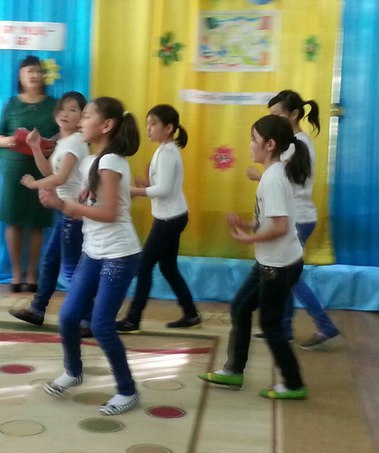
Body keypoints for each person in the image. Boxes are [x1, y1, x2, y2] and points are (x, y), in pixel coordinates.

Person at [38, 97, 142, 415]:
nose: (80, 121)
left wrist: (65, 205)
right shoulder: (93, 161)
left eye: (86, 116)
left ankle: (127, 390)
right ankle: (73, 371)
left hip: (119, 255)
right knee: (69, 317)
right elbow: (91, 207)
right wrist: (69, 201)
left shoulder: (111, 162)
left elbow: (109, 213)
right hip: (94, 252)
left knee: (101, 324)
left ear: (106, 125)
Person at [198, 114, 310, 400]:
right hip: (272, 262)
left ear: (270, 145)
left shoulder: (273, 178)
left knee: (270, 324)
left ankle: (294, 383)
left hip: (278, 266)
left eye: (253, 139)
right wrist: (249, 225)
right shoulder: (276, 173)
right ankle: (234, 370)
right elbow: (274, 219)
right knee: (240, 307)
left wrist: (250, 238)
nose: (249, 145)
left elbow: (280, 227)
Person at [248, 90, 340, 350]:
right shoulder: (293, 143)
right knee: (286, 277)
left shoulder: (298, 144)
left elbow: (292, 185)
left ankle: (324, 324)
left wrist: (260, 177)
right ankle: (284, 328)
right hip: (295, 216)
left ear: (295, 114)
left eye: (278, 115)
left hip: (298, 218)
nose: (273, 120)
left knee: (289, 275)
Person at [115, 104, 200, 333]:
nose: (149, 128)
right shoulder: (165, 150)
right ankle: (191, 313)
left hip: (169, 219)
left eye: (153, 124)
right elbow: (163, 186)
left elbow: (163, 189)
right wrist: (145, 185)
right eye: (148, 124)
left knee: (144, 267)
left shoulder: (168, 153)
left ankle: (133, 319)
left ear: (169, 128)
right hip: (171, 216)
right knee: (168, 268)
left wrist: (135, 191)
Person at [9, 91, 89, 326]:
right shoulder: (64, 142)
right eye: (62, 108)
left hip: (74, 213)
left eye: (73, 110)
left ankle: (90, 317)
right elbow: (49, 171)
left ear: (82, 117)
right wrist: (35, 146)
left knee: (70, 270)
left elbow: (60, 178)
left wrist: (35, 185)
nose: (66, 113)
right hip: (66, 212)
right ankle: (37, 309)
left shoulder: (76, 143)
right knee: (51, 262)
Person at [0, 55, 59, 293]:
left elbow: (64, 133)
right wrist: (7, 140)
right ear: (20, 77)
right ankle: (16, 274)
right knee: (14, 221)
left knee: (37, 222)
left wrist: (52, 144)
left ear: (43, 76)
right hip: (13, 169)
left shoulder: (54, 104)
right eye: (28, 71)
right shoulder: (11, 103)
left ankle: (32, 273)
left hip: (42, 169)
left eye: (37, 71)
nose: (33, 75)